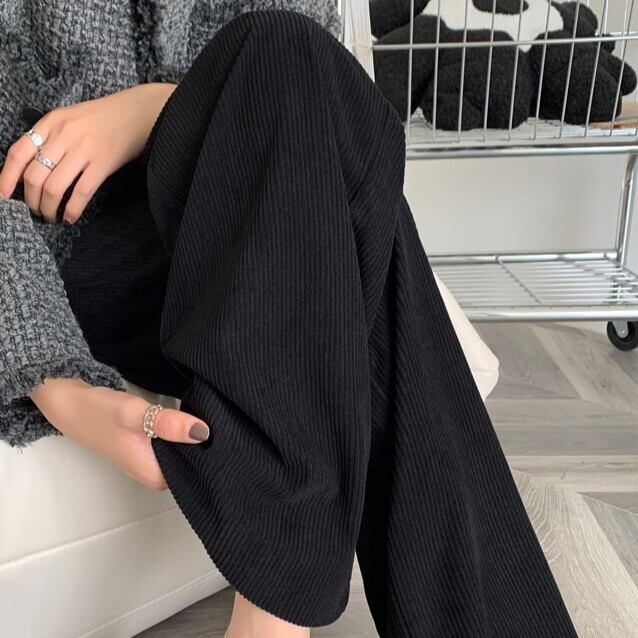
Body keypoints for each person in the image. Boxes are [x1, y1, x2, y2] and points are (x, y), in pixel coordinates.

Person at [0, 3, 579, 637]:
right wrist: (56, 383)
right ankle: (276, 615)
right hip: (57, 259)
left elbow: (298, 92)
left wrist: (148, 110)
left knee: (287, 51)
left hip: (235, 233)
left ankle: (270, 614)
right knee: (354, 231)